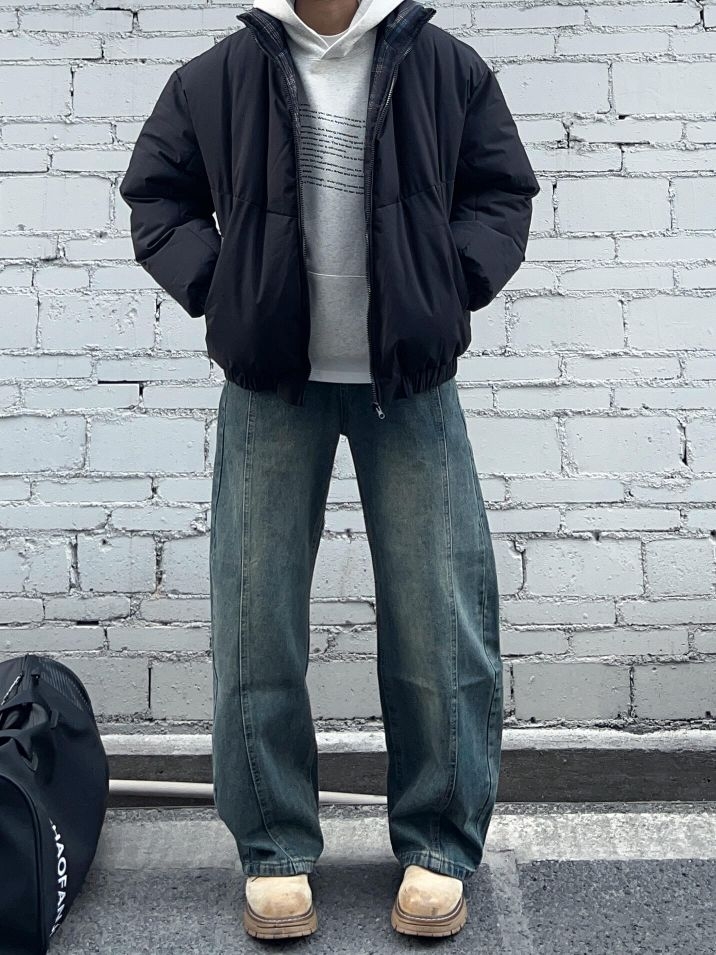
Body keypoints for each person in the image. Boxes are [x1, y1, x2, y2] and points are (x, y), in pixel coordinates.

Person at [119, 0, 539, 940]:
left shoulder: (445, 66)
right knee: (256, 620)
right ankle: (273, 846)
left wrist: (447, 284)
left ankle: (439, 844)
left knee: (441, 619)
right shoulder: (218, 74)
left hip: (410, 381)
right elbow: (156, 194)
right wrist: (222, 289)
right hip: (272, 383)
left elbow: (502, 190)